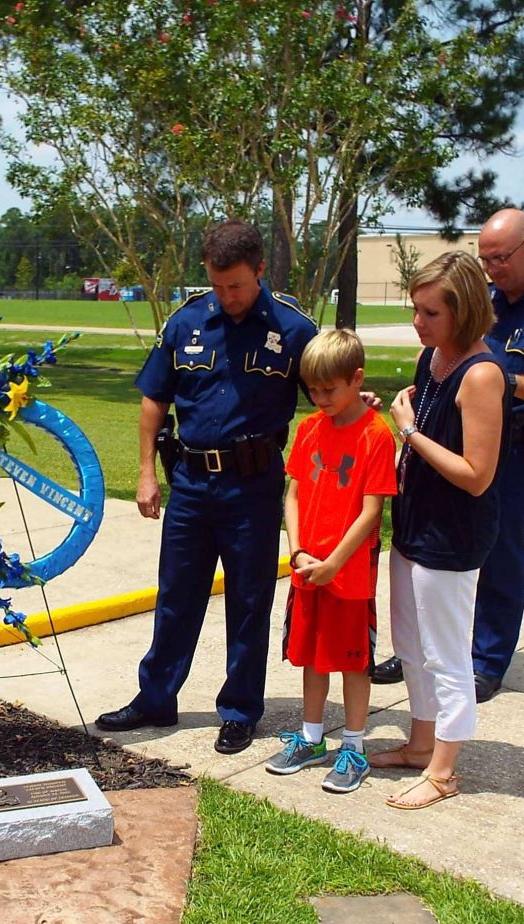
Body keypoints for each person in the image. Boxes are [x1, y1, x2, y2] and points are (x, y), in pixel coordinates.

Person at [94, 220, 318, 754]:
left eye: (236, 285)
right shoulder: (187, 321)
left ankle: (240, 710)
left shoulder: (292, 329)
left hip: (254, 488)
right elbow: (155, 399)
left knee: (248, 601)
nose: (226, 296)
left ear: (260, 271)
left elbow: (328, 394)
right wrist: (147, 474)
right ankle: (156, 698)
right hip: (191, 484)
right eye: (217, 285)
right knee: (176, 596)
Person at [370, 209, 524, 702]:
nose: (492, 268)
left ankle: (487, 660)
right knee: (429, 549)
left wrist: (505, 383)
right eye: (486, 258)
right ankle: (423, 650)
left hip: (516, 449)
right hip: (452, 440)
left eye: (501, 258)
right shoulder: (477, 301)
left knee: (501, 552)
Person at [369, 252, 510, 809]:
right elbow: (420, 423)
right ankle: (420, 743)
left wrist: (409, 434)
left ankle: (445, 771)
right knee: (409, 645)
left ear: (464, 311)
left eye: (430, 312)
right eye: (415, 309)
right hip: (414, 522)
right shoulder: (433, 358)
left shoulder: (481, 375)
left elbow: (477, 476)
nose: (418, 323)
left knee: (447, 654)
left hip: (452, 535)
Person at [265, 329, 396, 793]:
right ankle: (311, 736)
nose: (320, 399)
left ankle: (354, 747)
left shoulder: (377, 435)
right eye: (312, 389)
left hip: (348, 575)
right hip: (308, 568)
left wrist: (335, 563)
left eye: (330, 389)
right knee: (312, 657)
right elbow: (294, 492)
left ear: (355, 378)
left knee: (353, 662)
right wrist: (297, 549)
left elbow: (371, 511)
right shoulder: (309, 429)